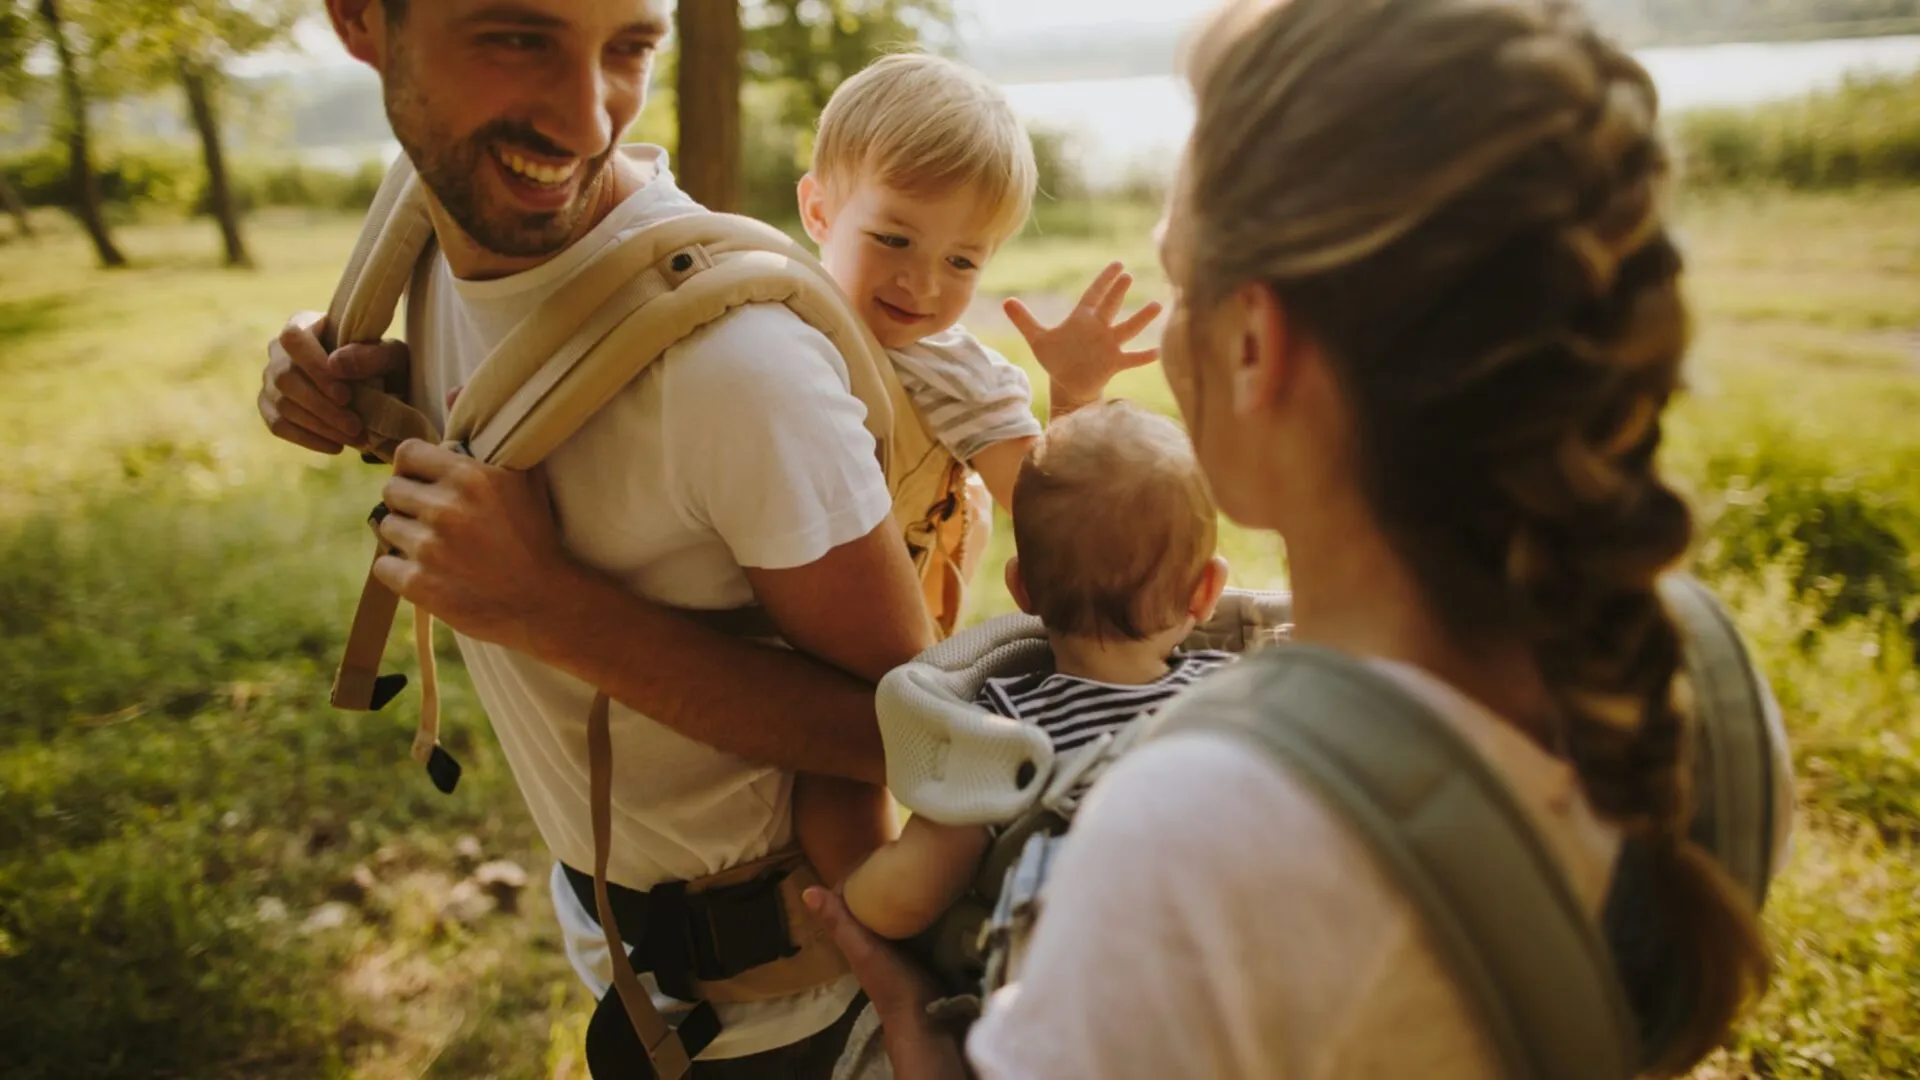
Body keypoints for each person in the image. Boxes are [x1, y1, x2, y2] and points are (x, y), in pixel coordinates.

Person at [803, 0, 1776, 1076]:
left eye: (1179, 281)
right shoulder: (1701, 693)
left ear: (1257, 344)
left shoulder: (1185, 830)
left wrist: (911, 1030)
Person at [255, 0, 928, 1072]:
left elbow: (913, 737)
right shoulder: (426, 219)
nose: (585, 119)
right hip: (620, 958)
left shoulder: (739, 372)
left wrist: (547, 608)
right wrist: (319, 382)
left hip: (795, 1020)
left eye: (630, 47)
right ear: (361, 24)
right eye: (518, 36)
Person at [787, 51, 1165, 890]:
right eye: (894, 239)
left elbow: (1049, 511)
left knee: (847, 819)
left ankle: (884, 954)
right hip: (761, 607)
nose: (923, 282)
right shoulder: (764, 314)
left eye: (964, 261)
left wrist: (1073, 394)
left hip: (875, 649)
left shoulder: (952, 372)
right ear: (818, 209)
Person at [839, 401, 1235, 941]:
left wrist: (846, 898)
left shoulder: (1003, 732)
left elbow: (906, 897)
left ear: (1020, 588)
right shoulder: (1237, 698)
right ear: (1208, 591)